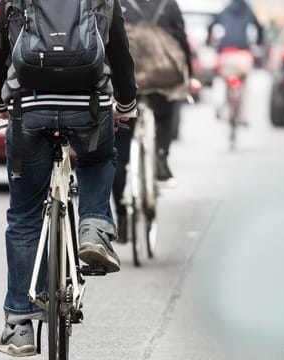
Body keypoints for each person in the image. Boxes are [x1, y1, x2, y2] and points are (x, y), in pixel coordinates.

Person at [0, 0, 137, 356]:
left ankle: (19, 324)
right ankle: (94, 227)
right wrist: (126, 104)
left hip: (29, 109)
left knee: (24, 216)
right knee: (98, 159)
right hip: (89, 107)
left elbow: (0, 51)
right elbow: (120, 51)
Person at [113, 0, 198, 242]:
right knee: (168, 109)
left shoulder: (117, 3)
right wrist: (189, 77)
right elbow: (181, 42)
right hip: (162, 78)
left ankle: (121, 216)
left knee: (119, 154)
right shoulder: (168, 4)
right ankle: (161, 152)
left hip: (127, 81)